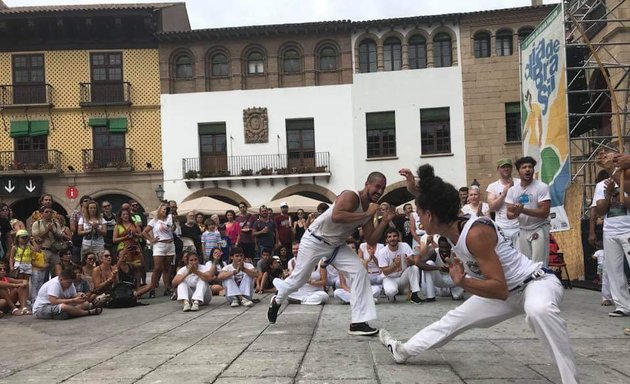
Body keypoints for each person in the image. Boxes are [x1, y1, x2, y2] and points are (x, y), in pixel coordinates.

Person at [381, 164, 578, 384]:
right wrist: (414, 188)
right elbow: (436, 199)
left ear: (430, 214)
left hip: (535, 283)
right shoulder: (448, 223)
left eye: (420, 214)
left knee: (538, 310)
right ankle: (403, 351)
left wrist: (463, 281)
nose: (418, 221)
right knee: (452, 321)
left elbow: (500, 288)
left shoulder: (475, 233)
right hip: (506, 292)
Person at [268, 171, 395, 336]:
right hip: (315, 239)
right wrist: (367, 214)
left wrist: (384, 221)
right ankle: (278, 299)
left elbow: (371, 240)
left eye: (383, 188)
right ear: (367, 184)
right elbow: (336, 216)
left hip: (336, 245)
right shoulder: (351, 196)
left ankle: (358, 323)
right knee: (299, 280)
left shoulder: (369, 210)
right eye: (377, 186)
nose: (380, 191)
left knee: (359, 271)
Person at [593, 150, 630, 317]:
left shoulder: (626, 177)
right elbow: (600, 210)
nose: (607, 158)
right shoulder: (602, 185)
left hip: (627, 228)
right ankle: (623, 305)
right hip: (610, 230)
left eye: (611, 156)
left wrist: (615, 190)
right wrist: (608, 194)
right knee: (614, 270)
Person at [506, 156, 551, 267]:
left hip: (538, 227)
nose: (527, 169)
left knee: (538, 264)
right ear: (519, 171)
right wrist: (517, 211)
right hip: (522, 229)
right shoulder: (512, 190)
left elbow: (544, 212)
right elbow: (509, 215)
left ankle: (541, 284)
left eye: (530, 167)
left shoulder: (541, 187)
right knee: (526, 264)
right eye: (524, 167)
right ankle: (528, 285)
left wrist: (522, 210)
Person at [33, 268, 102, 319]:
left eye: (71, 282)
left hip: (59, 306)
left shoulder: (70, 284)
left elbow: (74, 295)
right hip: (42, 308)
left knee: (85, 304)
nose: (70, 285)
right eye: (68, 282)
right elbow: (53, 301)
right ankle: (87, 313)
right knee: (64, 307)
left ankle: (72, 313)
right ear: (61, 279)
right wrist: (73, 300)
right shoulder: (54, 284)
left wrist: (80, 295)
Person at [376, 227, 423, 303]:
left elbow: (413, 262)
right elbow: (385, 272)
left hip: (402, 277)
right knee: (390, 292)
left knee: (414, 268)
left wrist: (410, 261)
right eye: (389, 237)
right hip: (389, 278)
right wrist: (395, 265)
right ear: (386, 240)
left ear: (398, 237)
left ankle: (414, 295)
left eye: (394, 236)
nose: (392, 238)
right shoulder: (382, 252)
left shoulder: (405, 246)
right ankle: (393, 295)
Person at [416, 236, 464, 301]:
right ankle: (431, 297)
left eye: (446, 248)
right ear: (439, 246)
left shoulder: (455, 253)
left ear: (450, 246)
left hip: (453, 278)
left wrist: (452, 269)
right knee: (429, 263)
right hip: (439, 278)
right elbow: (419, 263)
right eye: (442, 247)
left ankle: (455, 293)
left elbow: (464, 269)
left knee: (464, 274)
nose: (444, 250)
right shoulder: (434, 252)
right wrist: (438, 268)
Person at [144, 203, 176, 298]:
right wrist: (151, 239)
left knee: (167, 268)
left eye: (167, 209)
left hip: (170, 244)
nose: (165, 211)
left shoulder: (169, 219)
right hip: (159, 244)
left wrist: (172, 218)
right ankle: (152, 288)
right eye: (164, 209)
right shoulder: (154, 221)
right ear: (159, 211)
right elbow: (144, 232)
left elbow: (173, 229)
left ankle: (167, 288)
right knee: (157, 268)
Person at [487, 158, 520, 245]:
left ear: (511, 168)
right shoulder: (493, 186)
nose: (506, 169)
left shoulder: (520, 183)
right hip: (502, 227)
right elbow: (492, 207)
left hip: (519, 226)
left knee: (522, 256)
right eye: (503, 167)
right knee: (506, 257)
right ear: (498, 169)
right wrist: (504, 194)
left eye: (508, 167)